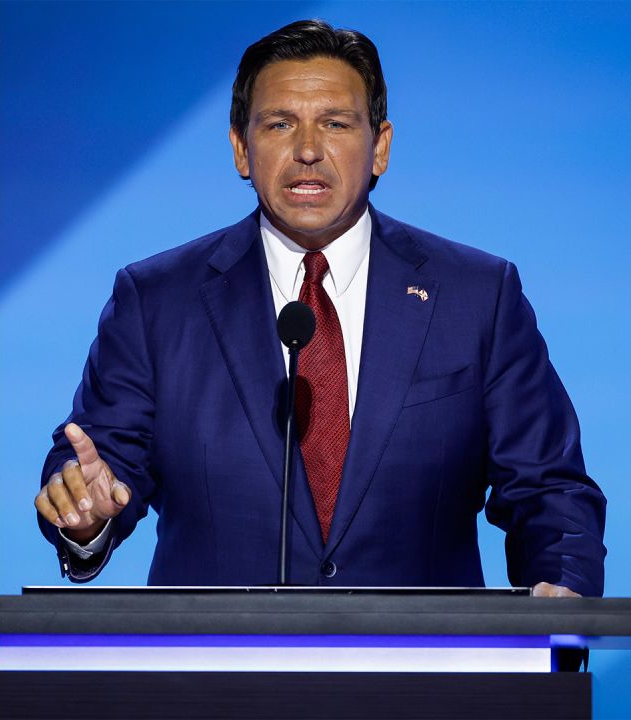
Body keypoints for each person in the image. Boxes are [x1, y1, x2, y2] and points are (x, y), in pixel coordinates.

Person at [33, 19, 606, 596]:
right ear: (241, 148)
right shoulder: (156, 300)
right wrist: (87, 512)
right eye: (280, 124)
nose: (308, 150)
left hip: (425, 671)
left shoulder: (478, 295)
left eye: (335, 124)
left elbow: (548, 487)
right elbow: (97, 466)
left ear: (380, 146)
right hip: (217, 671)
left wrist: (561, 592)